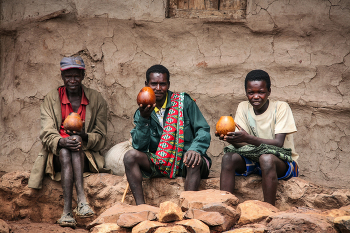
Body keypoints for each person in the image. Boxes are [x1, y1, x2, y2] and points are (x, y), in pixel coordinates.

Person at [28, 56, 108, 228]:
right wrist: (61, 142)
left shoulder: (96, 99)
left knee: (77, 140)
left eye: (76, 76)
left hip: (85, 155)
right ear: (62, 77)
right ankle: (74, 206)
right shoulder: (51, 99)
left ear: (83, 76)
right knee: (65, 149)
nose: (72, 80)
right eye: (68, 76)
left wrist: (84, 136)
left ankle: (71, 209)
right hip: (58, 155)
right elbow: (46, 132)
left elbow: (101, 137)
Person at [124, 64, 211, 205]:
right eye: (154, 84)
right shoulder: (141, 112)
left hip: (184, 161)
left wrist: (195, 149)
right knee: (130, 156)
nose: (158, 88)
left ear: (168, 85)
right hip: (160, 162)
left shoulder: (184, 103)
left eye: (162, 84)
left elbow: (203, 129)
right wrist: (144, 120)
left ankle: (187, 208)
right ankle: (141, 207)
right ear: (146, 84)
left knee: (193, 160)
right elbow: (139, 146)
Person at [218, 69, 299, 206]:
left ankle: (268, 209)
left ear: (269, 91)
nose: (256, 96)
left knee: (266, 158)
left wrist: (248, 138)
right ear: (246, 93)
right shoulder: (243, 107)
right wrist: (231, 139)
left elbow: (278, 143)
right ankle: (225, 208)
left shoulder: (280, 108)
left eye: (261, 92)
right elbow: (242, 143)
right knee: (228, 158)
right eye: (251, 93)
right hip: (254, 159)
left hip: (282, 162)